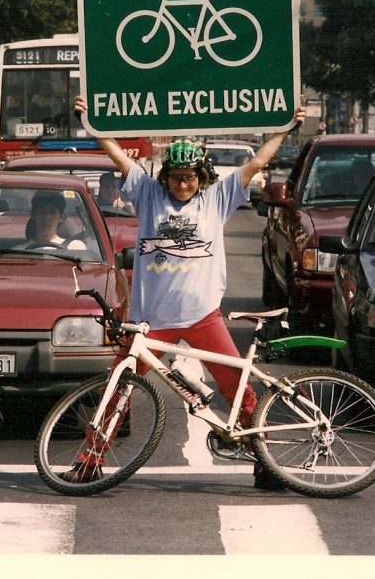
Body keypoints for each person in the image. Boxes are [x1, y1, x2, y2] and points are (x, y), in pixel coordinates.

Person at [63, 94, 304, 489]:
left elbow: (257, 163)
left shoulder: (217, 199)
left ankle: (265, 462)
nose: (183, 183)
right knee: (117, 389)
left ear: (203, 177)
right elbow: (118, 158)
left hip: (202, 315)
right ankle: (90, 460)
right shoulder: (147, 194)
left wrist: (283, 129)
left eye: (190, 176)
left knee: (238, 391)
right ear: (165, 178)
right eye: (176, 176)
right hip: (147, 321)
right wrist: (91, 123)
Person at [15, 190, 86, 250]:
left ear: (61, 217)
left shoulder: (75, 247)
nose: (46, 218)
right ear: (33, 215)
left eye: (52, 212)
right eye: (42, 212)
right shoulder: (19, 251)